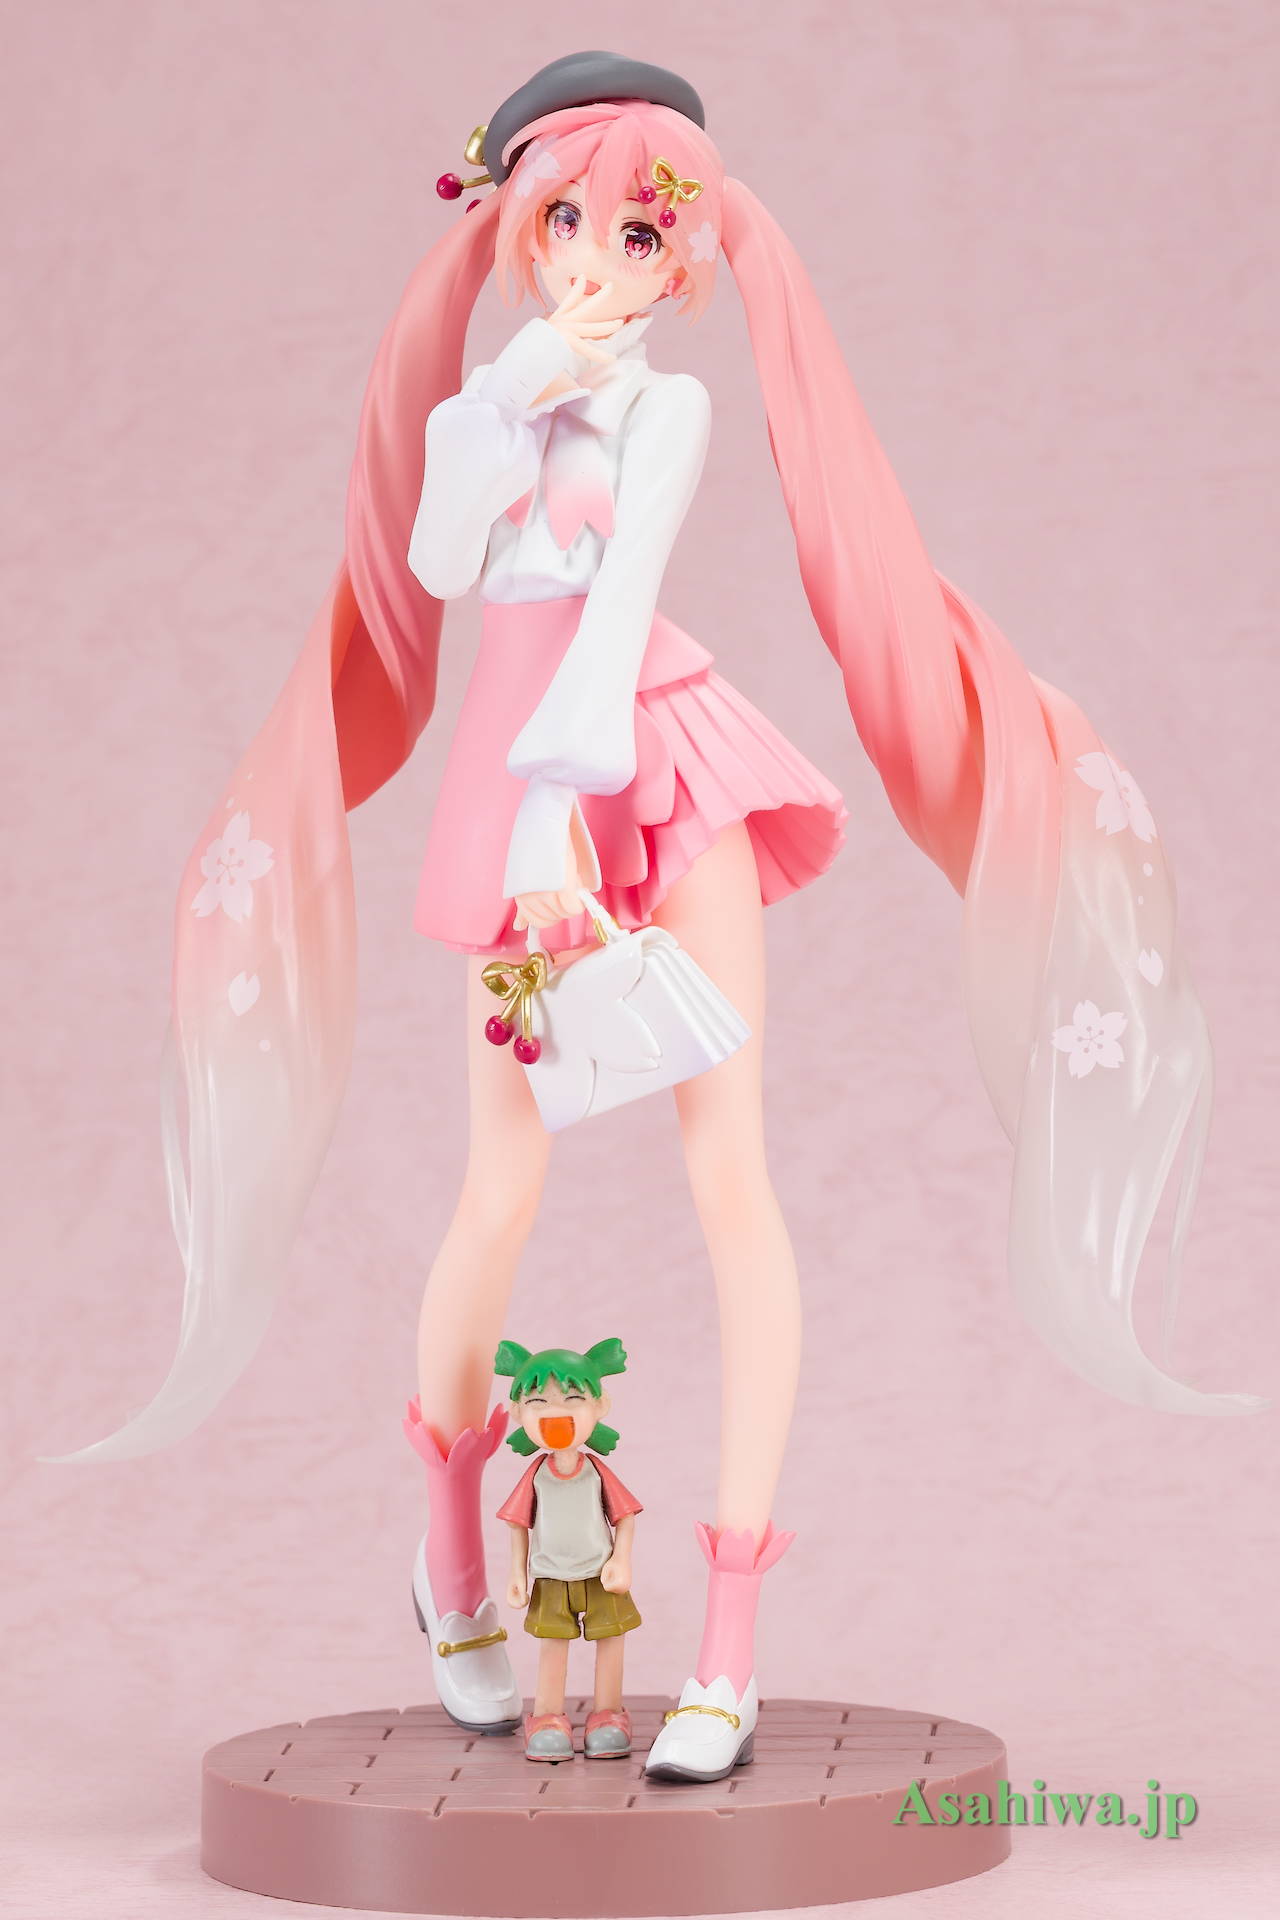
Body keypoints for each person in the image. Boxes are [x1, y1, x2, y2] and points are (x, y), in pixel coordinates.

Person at [58, 51, 1262, 1788]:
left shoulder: (669, 414)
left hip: (656, 764)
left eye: (641, 235)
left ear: (686, 254)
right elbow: (445, 564)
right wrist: (514, 392)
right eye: (570, 225)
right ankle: (453, 1567)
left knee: (731, 1179)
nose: (603, 263)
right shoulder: (494, 408)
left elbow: (615, 625)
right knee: (500, 1184)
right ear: (518, 232)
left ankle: (728, 1645)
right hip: (516, 789)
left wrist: (563, 825)